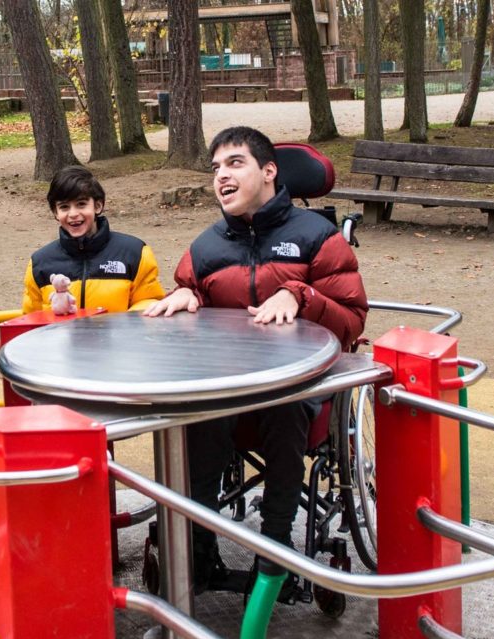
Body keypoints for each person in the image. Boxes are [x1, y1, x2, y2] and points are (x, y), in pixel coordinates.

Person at [144, 126, 368, 594]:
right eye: (216, 168)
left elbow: (352, 321)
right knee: (195, 416)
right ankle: (197, 551)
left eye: (234, 163)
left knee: (284, 409)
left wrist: (300, 295)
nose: (221, 176)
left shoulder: (318, 238)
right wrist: (185, 294)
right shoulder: (204, 249)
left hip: (296, 392)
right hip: (224, 387)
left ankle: (276, 545)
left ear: (269, 172)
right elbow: (189, 301)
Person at [22, 166, 165, 314]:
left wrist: (123, 330)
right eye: (64, 207)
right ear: (55, 213)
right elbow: (31, 316)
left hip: (120, 336)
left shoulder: (134, 253)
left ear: (98, 206)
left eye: (81, 204)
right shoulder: (40, 262)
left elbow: (149, 301)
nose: (73, 214)